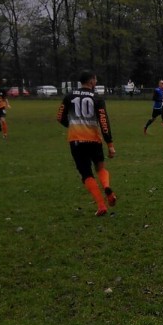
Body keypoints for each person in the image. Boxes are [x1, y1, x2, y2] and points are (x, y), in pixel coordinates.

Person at [57, 71, 116, 216]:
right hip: (94, 139)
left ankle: (101, 205)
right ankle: (106, 186)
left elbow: (59, 117)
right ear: (91, 81)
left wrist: (71, 125)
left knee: (86, 174)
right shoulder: (97, 98)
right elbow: (104, 122)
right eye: (95, 80)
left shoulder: (69, 96)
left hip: (76, 140)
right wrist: (110, 144)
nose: (96, 82)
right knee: (100, 168)